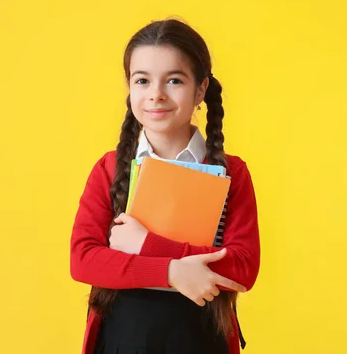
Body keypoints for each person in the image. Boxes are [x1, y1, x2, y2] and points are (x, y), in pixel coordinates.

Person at [70, 18, 260, 354]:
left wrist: (147, 244)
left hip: (200, 340)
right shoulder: (110, 168)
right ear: (130, 88)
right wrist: (173, 271)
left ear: (200, 89)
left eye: (174, 80)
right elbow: (83, 259)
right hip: (122, 340)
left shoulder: (231, 173)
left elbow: (242, 268)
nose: (156, 94)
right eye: (142, 80)